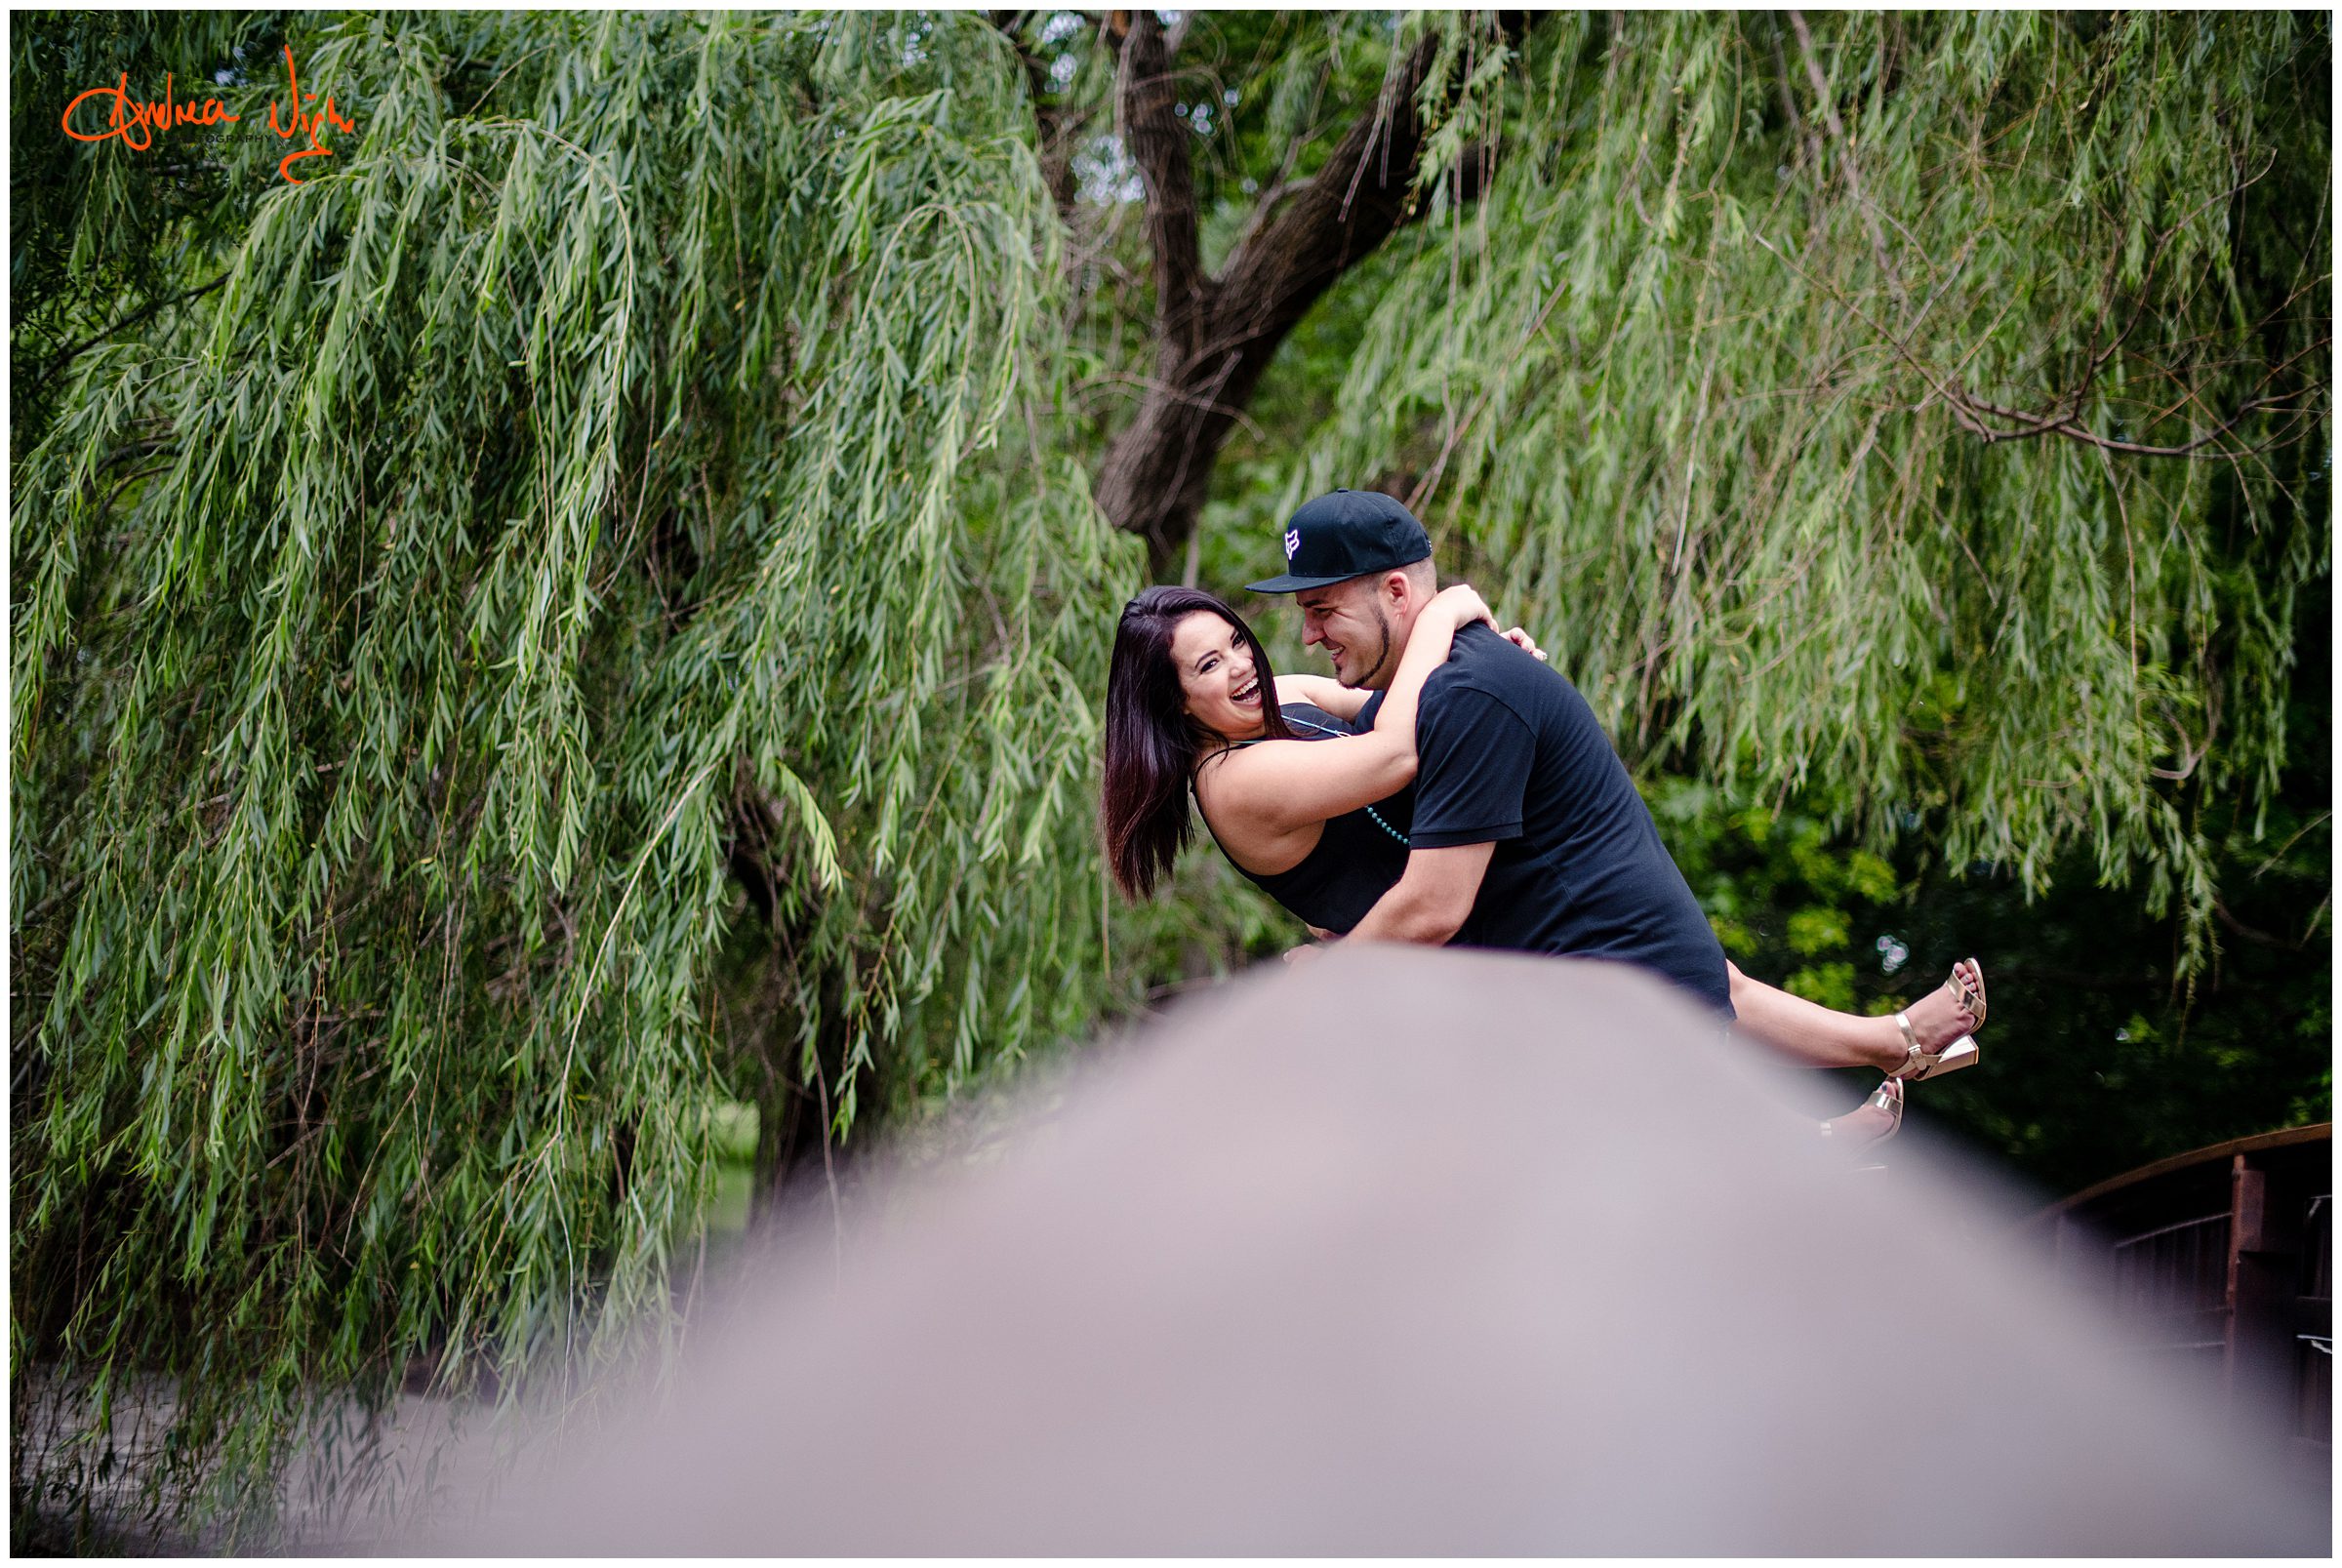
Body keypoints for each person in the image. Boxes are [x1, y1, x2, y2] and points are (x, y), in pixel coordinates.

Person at [1100, 503, 1984, 1142]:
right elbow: (1394, 752)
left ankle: (1893, 1045)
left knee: (1701, 975)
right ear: (1172, 705)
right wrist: (1451, 609)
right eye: (1206, 667)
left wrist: (1479, 669)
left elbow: (1370, 700)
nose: (1249, 666)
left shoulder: (1276, 703)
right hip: (1431, 946)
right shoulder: (1232, 780)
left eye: (1235, 644)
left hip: (1462, 912)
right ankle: (1809, 1145)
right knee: (1654, 1026)